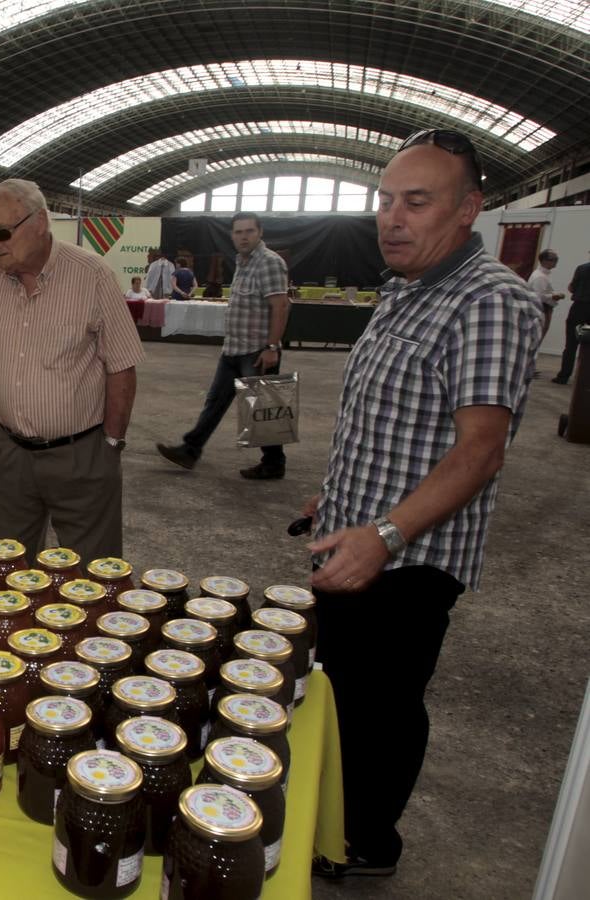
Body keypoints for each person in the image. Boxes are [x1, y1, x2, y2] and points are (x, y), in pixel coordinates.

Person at [304, 129, 540, 879]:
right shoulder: (405, 288)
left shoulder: (489, 302)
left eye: (416, 202)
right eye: (384, 201)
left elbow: (480, 450)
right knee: (339, 696)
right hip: (361, 535)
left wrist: (383, 534)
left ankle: (367, 842)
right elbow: (393, 422)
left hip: (410, 559)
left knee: (382, 707)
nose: (392, 219)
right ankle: (333, 819)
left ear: (468, 209)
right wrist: (338, 492)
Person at [0, 178, 143, 564]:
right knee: (9, 568)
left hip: (81, 453)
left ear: (39, 223)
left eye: (2, 233)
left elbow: (121, 366)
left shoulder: (92, 276)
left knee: (93, 571)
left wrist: (111, 445)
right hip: (10, 455)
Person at [156, 212, 290, 479]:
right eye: (238, 232)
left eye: (249, 231)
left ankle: (274, 462)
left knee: (261, 408)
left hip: (256, 351)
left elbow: (281, 306)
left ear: (260, 232)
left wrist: (272, 347)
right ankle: (190, 450)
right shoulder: (242, 261)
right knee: (215, 403)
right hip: (233, 349)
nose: (244, 237)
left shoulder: (269, 262)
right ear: (232, 235)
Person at [552, 250, 590, 384]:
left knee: (571, 344)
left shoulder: (582, 268)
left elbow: (572, 288)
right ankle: (585, 379)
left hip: (579, 308)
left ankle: (564, 376)